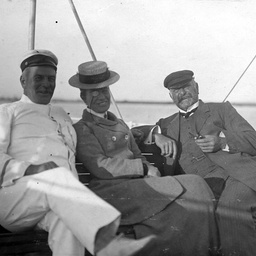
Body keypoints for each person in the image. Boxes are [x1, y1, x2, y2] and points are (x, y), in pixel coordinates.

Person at [0, 49, 155, 256]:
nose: (46, 84)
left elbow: (97, 123)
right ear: (23, 80)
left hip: (59, 203)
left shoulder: (61, 114)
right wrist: (32, 168)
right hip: (17, 200)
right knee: (57, 176)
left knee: (69, 228)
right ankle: (108, 244)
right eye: (39, 78)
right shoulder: (7, 112)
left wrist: (151, 132)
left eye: (51, 79)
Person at [70, 60, 220, 256]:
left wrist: (152, 150)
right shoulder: (83, 128)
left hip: (137, 186)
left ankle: (206, 249)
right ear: (83, 97)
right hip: (111, 191)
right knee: (194, 185)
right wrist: (144, 169)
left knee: (197, 187)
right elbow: (101, 166)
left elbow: (138, 153)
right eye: (93, 93)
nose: (100, 96)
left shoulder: (121, 124)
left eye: (104, 90)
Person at [137, 70, 256, 256]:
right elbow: (133, 133)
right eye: (175, 90)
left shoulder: (222, 110)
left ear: (197, 87)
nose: (182, 93)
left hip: (235, 178)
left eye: (186, 87)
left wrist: (223, 141)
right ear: (170, 95)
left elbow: (253, 140)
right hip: (197, 189)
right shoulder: (166, 124)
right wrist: (155, 134)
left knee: (231, 210)